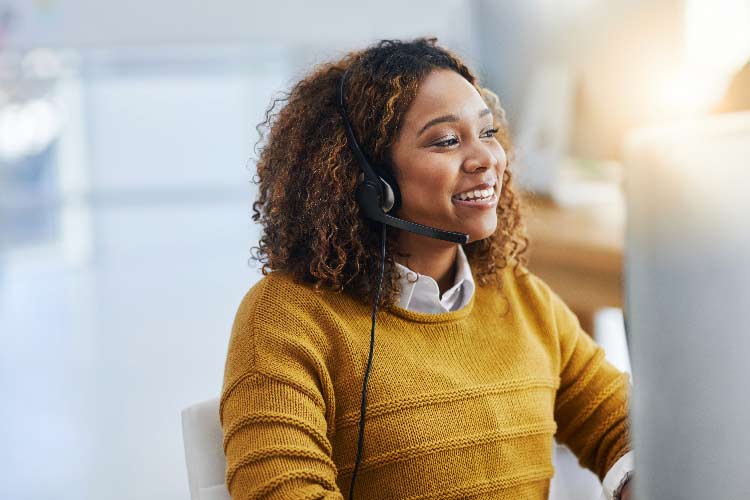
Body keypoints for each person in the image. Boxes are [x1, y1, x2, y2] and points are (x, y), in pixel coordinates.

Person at [220, 37, 633, 500]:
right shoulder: (286, 319)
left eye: (488, 132)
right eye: (447, 141)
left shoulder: (519, 295)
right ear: (371, 183)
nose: (486, 160)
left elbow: (621, 423)